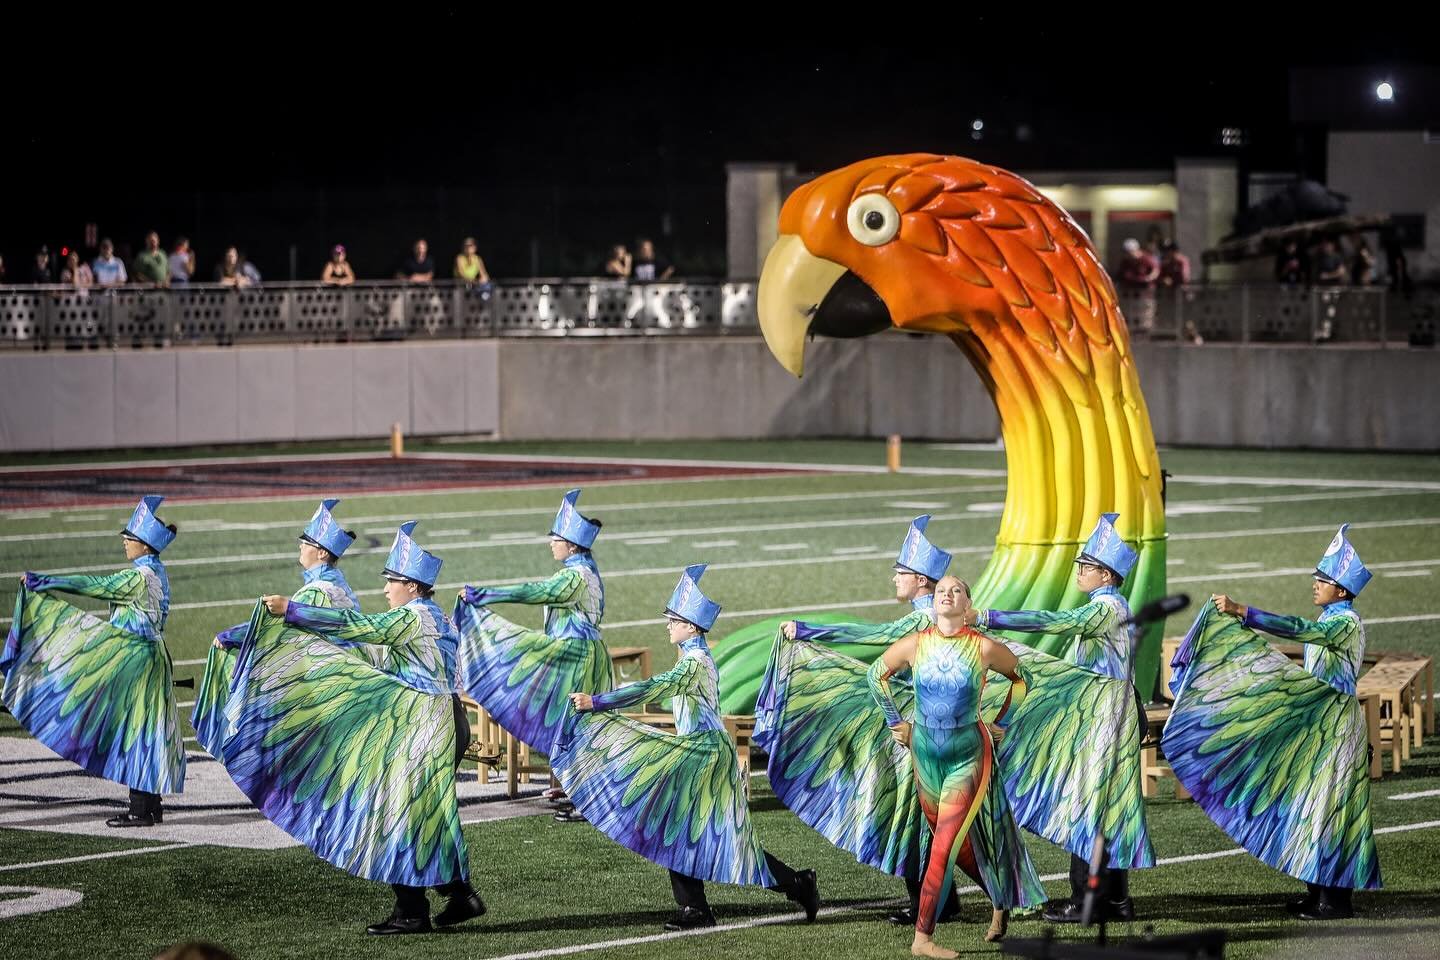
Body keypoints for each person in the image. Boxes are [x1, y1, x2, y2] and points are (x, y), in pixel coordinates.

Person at [224, 521, 482, 935]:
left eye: (392, 581)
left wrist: (291, 610)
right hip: (446, 718)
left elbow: (359, 629)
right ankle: (459, 894)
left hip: (423, 725)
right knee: (425, 813)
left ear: (413, 587)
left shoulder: (411, 619)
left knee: (395, 813)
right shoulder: (440, 619)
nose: (385, 589)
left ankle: (413, 912)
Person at [556, 564, 820, 931]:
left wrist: (597, 703)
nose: (667, 624)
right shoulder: (691, 658)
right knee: (680, 827)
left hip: (706, 755)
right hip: (698, 751)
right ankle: (726, 900)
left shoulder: (694, 664)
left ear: (691, 627)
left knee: (703, 833)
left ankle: (783, 888)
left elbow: (652, 688)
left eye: (673, 619)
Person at [1165, 524, 1380, 920]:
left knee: (1331, 808)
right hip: (1320, 727)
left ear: (1343, 591)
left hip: (1336, 729)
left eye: (1324, 579)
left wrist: (1244, 612)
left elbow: (1302, 630)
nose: (1315, 584)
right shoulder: (1336, 619)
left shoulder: (1344, 622)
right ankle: (1317, 892)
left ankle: (1335, 900)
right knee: (1313, 806)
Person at [3, 496, 183, 827]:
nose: (125, 542)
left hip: (136, 659)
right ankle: (149, 804)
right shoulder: (156, 571)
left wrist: (46, 582)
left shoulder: (139, 578)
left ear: (144, 546)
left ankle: (141, 810)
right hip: (149, 655)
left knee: (133, 728)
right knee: (144, 728)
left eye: (129, 538)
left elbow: (95, 586)